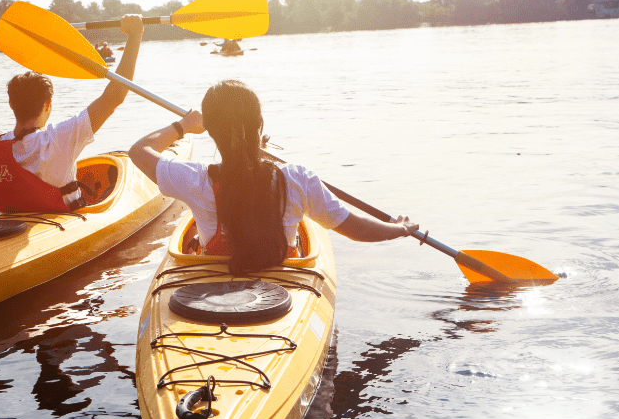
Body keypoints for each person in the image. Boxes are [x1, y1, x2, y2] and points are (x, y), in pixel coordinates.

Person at [128, 80, 418, 274]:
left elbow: (139, 150)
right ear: (260, 126)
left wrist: (183, 126)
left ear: (212, 132)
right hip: (283, 288)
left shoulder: (194, 180)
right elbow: (359, 230)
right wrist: (400, 229)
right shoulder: (298, 179)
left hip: (213, 285)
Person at [0, 15, 145, 214]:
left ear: (10, 104)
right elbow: (115, 95)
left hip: (13, 224)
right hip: (64, 223)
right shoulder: (61, 138)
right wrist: (134, 37)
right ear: (48, 105)